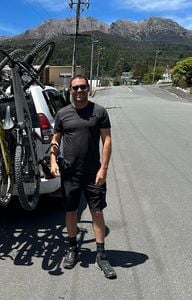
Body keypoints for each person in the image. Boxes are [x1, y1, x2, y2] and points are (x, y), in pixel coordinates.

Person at [50, 74, 116, 279]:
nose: (79, 91)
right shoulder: (62, 114)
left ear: (89, 89)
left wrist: (103, 169)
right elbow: (55, 140)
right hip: (69, 173)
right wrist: (53, 160)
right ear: (70, 90)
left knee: (97, 212)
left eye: (82, 87)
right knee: (71, 212)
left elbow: (107, 141)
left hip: (93, 173)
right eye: (75, 88)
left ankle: (101, 256)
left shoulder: (99, 112)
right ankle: (72, 249)